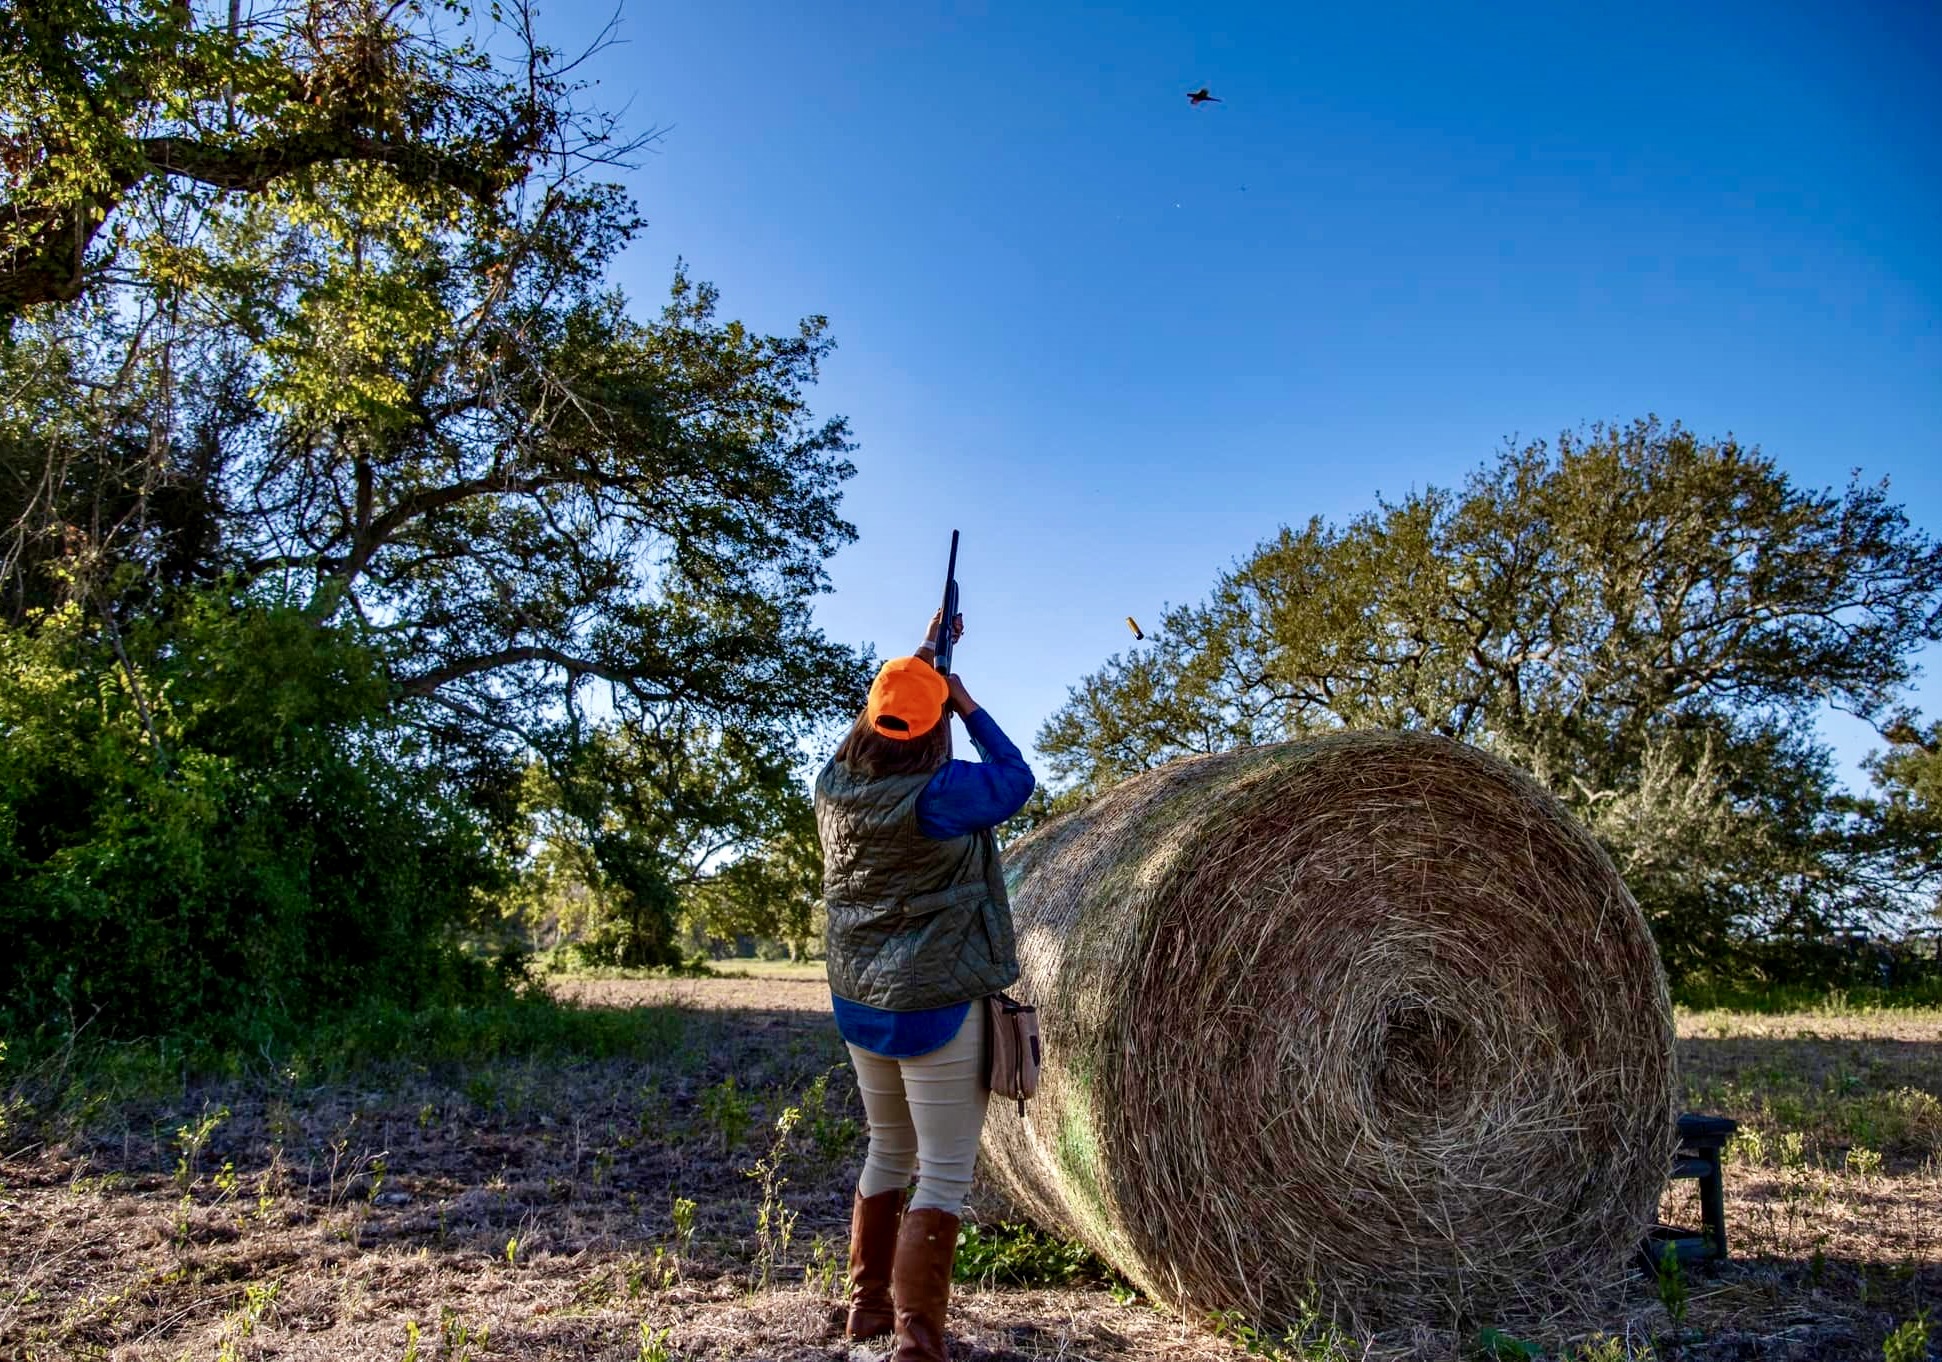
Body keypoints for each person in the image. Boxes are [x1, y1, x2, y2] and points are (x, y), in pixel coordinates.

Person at [814, 609, 1035, 1362]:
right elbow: (1017, 779)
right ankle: (917, 1346)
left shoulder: (834, 786)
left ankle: (867, 1313)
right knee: (942, 1172)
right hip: (933, 1005)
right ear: (934, 725)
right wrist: (963, 700)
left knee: (888, 1151)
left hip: (859, 1002)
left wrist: (920, 664)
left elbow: (878, 725)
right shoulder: (941, 796)